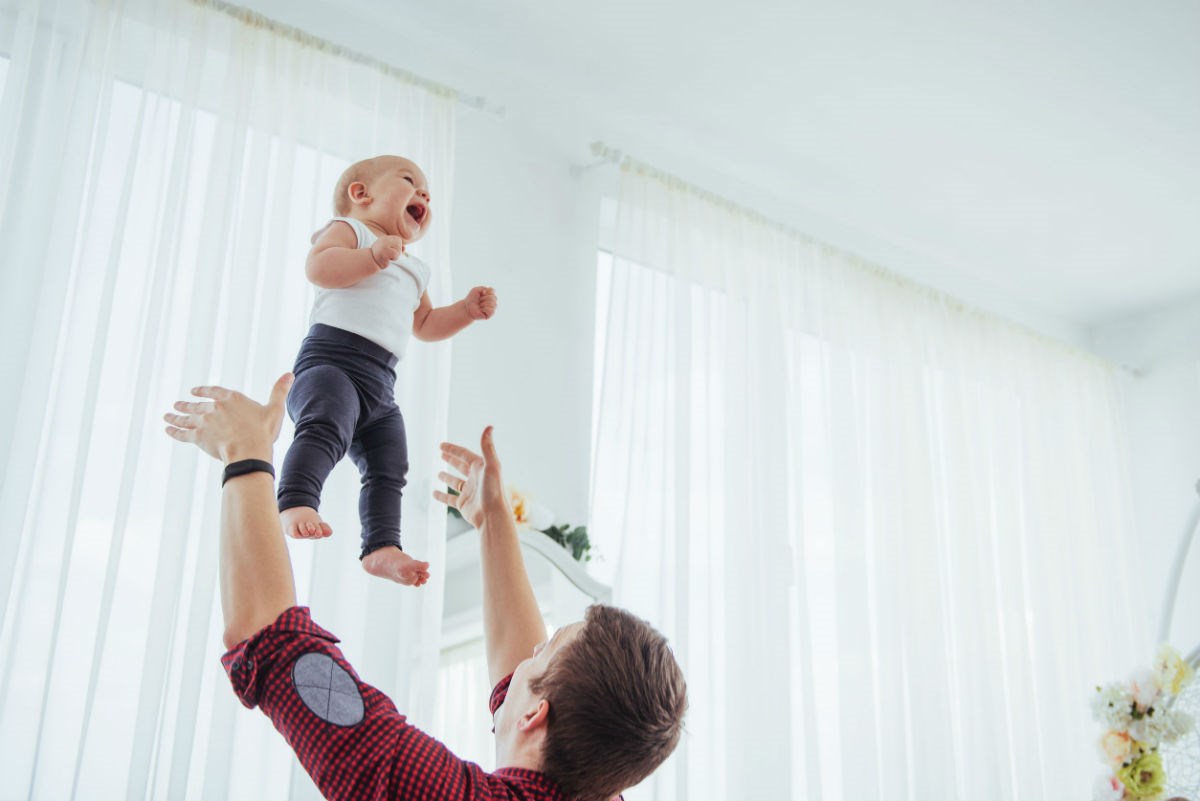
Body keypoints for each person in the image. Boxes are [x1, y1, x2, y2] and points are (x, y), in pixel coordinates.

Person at [162, 376, 687, 801]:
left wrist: (246, 452)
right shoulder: (596, 781)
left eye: (542, 651)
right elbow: (525, 692)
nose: (527, 652)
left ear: (535, 715)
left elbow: (267, 638)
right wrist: (493, 520)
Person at [278, 154, 498, 587]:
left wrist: (466, 311)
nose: (424, 195)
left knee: (390, 465)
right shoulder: (351, 231)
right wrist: (372, 257)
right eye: (410, 181)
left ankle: (381, 546)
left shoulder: (414, 268)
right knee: (326, 425)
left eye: (427, 194)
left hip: (381, 383)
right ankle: (297, 500)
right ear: (361, 194)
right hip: (330, 362)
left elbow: (426, 325)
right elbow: (318, 268)